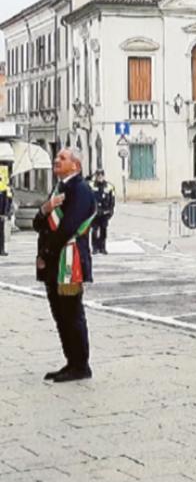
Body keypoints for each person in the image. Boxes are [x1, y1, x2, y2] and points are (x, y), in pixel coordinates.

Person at [35, 148, 96, 383]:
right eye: (57, 157)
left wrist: (46, 253)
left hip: (69, 261)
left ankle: (81, 365)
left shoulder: (80, 189)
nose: (56, 160)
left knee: (71, 314)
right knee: (60, 315)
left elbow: (68, 227)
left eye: (62, 158)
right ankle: (71, 362)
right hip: (54, 262)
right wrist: (46, 208)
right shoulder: (59, 188)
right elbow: (38, 223)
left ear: (76, 165)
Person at [89, 169, 115, 255]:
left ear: (104, 176)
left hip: (105, 212)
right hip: (94, 213)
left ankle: (102, 247)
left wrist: (110, 211)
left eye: (101, 175)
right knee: (95, 230)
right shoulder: (91, 186)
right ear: (96, 176)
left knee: (103, 231)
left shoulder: (109, 186)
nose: (100, 177)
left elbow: (112, 201)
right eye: (98, 175)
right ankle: (95, 248)